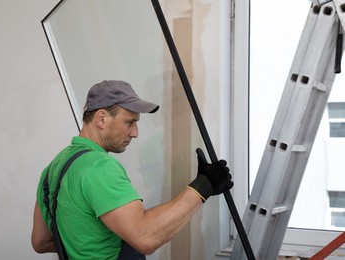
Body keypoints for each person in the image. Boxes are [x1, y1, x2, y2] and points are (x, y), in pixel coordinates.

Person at [31, 80, 233, 259]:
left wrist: (87, 242)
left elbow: (40, 241)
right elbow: (145, 236)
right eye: (130, 122)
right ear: (101, 119)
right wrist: (204, 186)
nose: (135, 133)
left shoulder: (53, 169)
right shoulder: (99, 167)